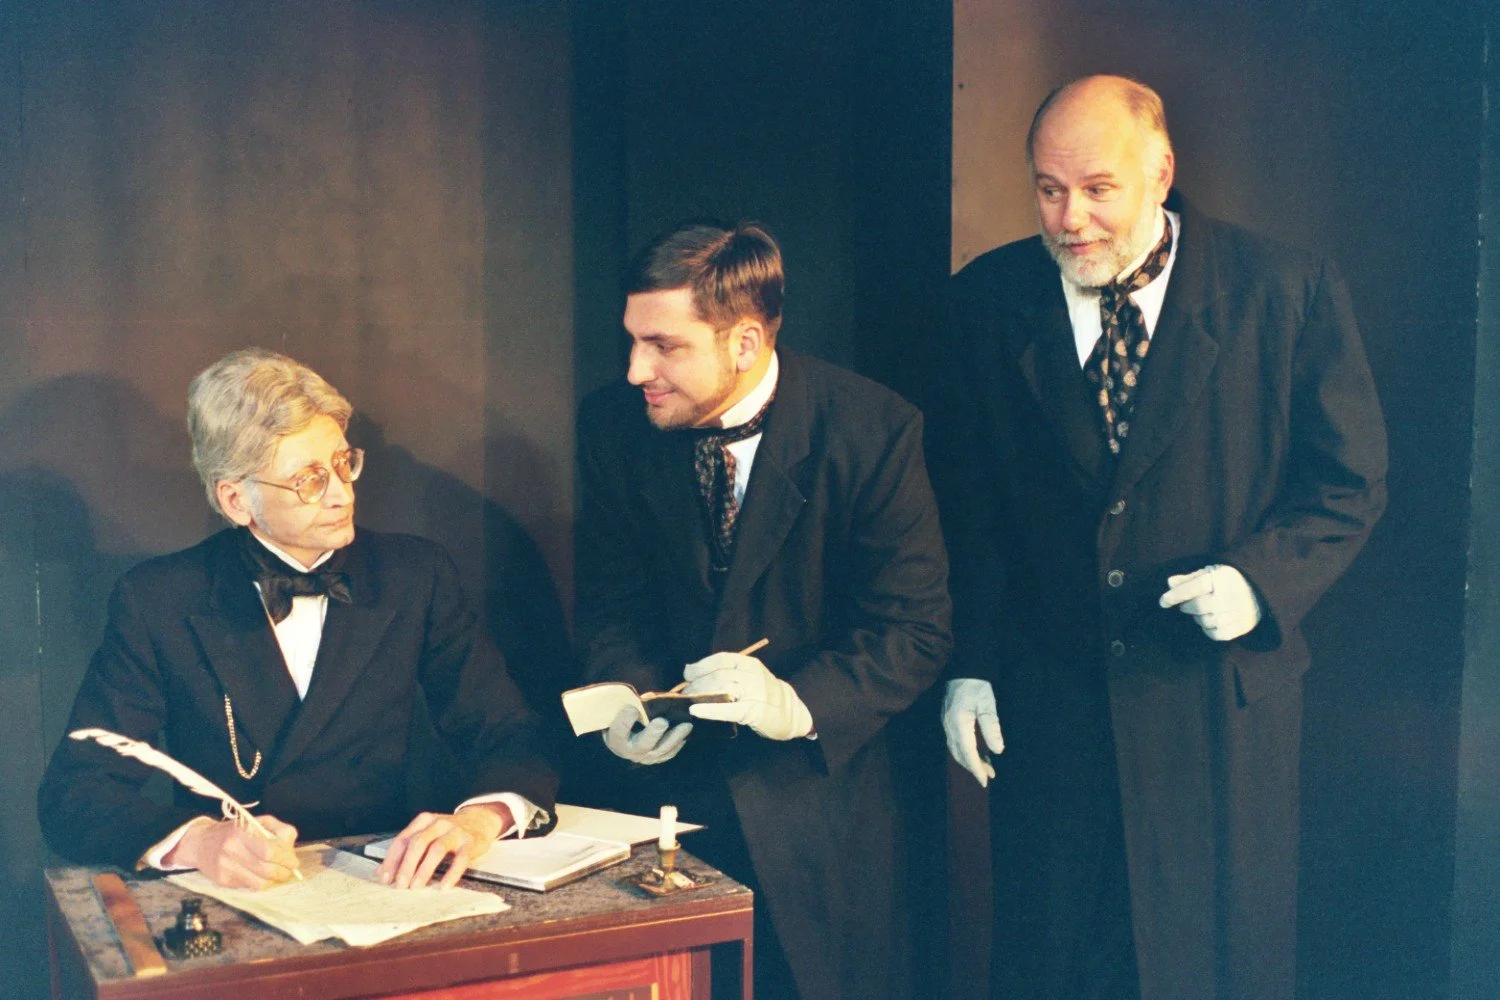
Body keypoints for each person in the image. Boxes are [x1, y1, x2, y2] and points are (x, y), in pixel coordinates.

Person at [933, 75, 1388, 1000]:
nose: (1071, 220)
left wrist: (1261, 582)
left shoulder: (1283, 290)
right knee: (1049, 969)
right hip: (1049, 712)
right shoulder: (986, 298)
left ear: (1161, 172)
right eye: (1049, 189)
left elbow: (1348, 481)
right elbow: (967, 504)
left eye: (1099, 189)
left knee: (1204, 970)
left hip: (1212, 709)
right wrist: (969, 663)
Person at [574, 222, 952, 1000]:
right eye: (632, 340)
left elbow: (913, 630)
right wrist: (626, 692)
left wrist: (793, 704)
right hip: (664, 815)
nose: (636, 368)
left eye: (664, 346)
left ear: (744, 342)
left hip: (816, 814)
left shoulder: (872, 430)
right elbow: (613, 601)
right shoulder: (613, 426)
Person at [38, 348, 558, 891]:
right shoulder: (160, 599)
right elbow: (75, 794)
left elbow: (509, 734)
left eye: (342, 463)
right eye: (309, 479)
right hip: (238, 895)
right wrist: (201, 841)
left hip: (383, 880)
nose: (341, 493)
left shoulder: (414, 575)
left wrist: (478, 821)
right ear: (237, 501)